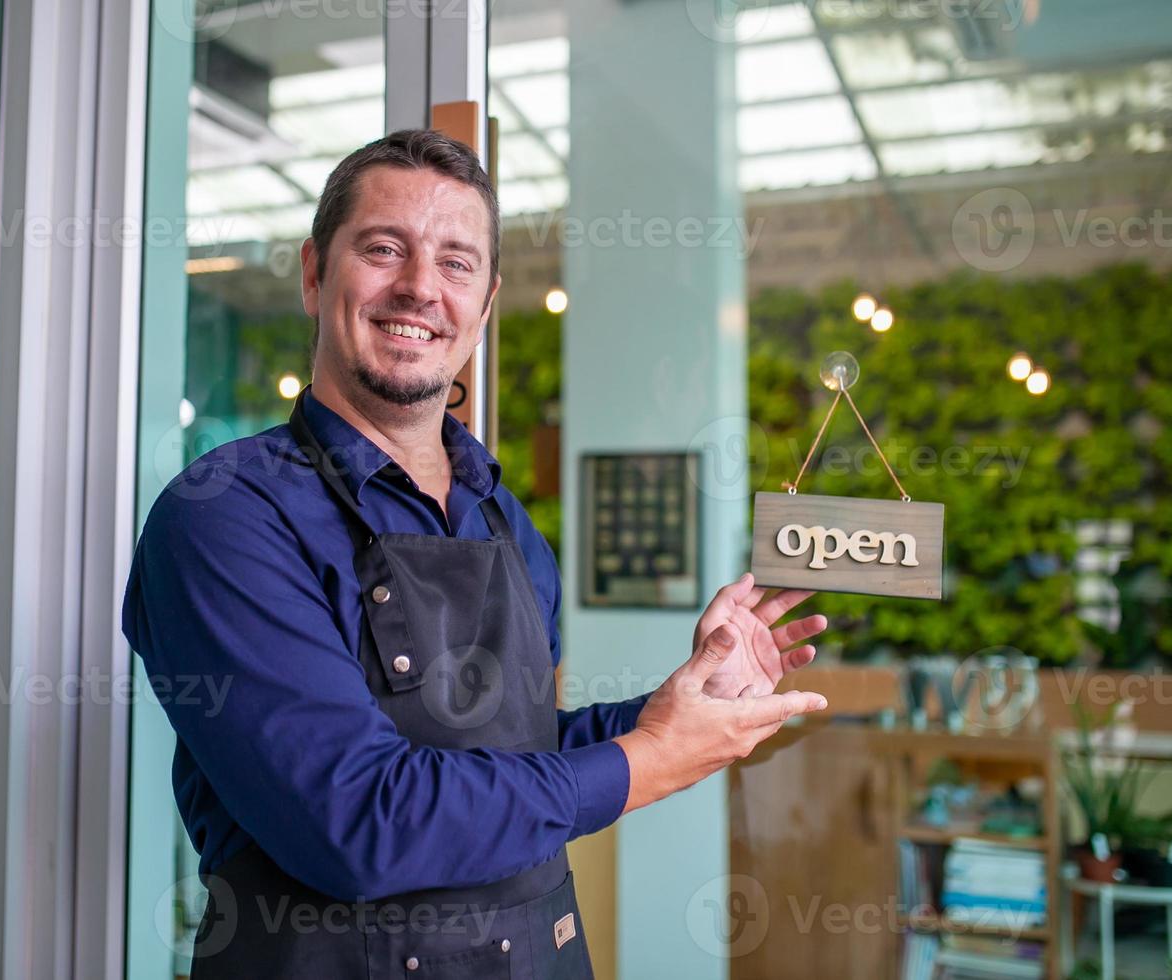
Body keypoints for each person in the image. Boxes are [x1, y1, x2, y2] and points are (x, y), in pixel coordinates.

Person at [122, 128, 830, 979]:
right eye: (385, 249)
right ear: (316, 274)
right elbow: (354, 820)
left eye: (456, 264)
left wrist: (672, 711)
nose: (421, 287)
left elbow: (518, 753)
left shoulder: (503, 518)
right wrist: (641, 764)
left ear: (485, 306)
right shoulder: (227, 517)